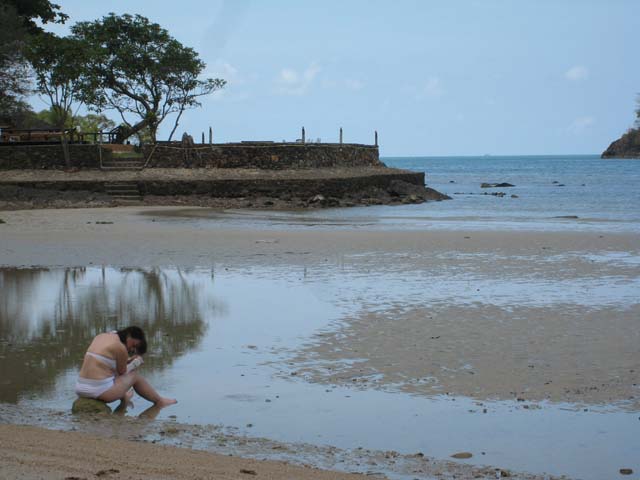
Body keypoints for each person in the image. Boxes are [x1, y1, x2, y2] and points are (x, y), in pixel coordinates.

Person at [75, 326, 176, 407]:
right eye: (133, 345)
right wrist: (136, 363)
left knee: (110, 375)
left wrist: (127, 360)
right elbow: (122, 373)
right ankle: (159, 401)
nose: (131, 349)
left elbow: (105, 363)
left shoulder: (100, 337)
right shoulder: (120, 347)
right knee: (134, 377)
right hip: (99, 392)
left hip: (80, 388)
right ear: (128, 336)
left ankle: (125, 399)